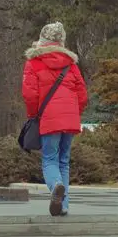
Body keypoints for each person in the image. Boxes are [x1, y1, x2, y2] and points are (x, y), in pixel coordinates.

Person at [22, 22, 88, 217]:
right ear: (61, 41)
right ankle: (64, 204)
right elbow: (82, 93)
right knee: (64, 161)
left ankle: (56, 186)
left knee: (50, 159)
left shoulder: (33, 62)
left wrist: (34, 115)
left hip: (48, 118)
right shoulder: (71, 64)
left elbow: (29, 94)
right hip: (70, 118)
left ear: (42, 39)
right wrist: (75, 112)